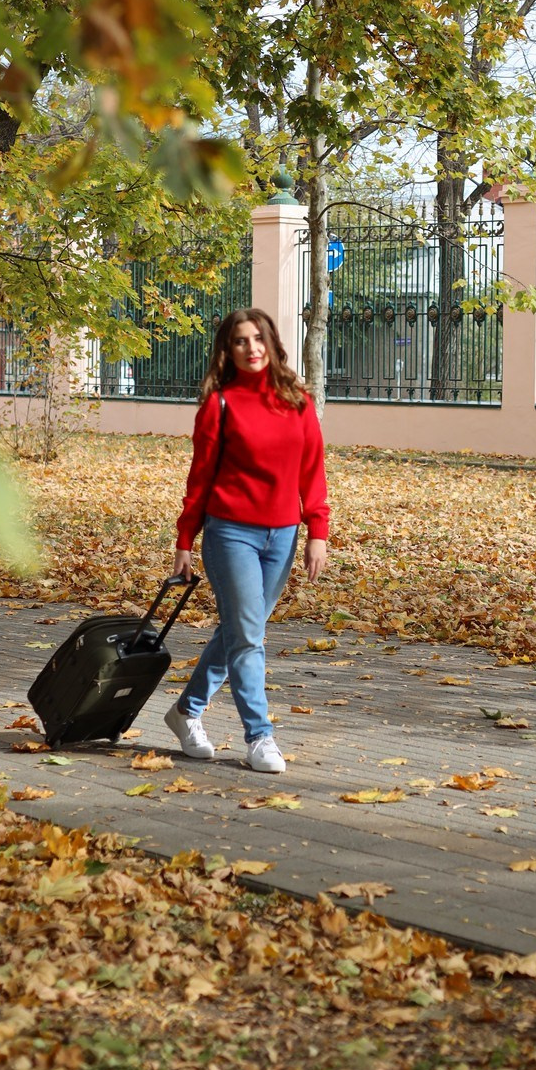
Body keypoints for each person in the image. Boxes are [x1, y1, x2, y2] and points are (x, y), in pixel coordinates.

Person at [164, 307, 329, 774]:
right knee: (249, 638)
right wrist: (184, 539)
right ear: (227, 350)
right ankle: (259, 737)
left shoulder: (297, 401)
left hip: (283, 536)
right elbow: (200, 479)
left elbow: (312, 471)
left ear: (272, 343)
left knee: (240, 632)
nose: (251, 348)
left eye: (258, 338)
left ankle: (185, 712)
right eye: (240, 341)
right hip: (230, 532)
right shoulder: (219, 405)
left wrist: (318, 530)